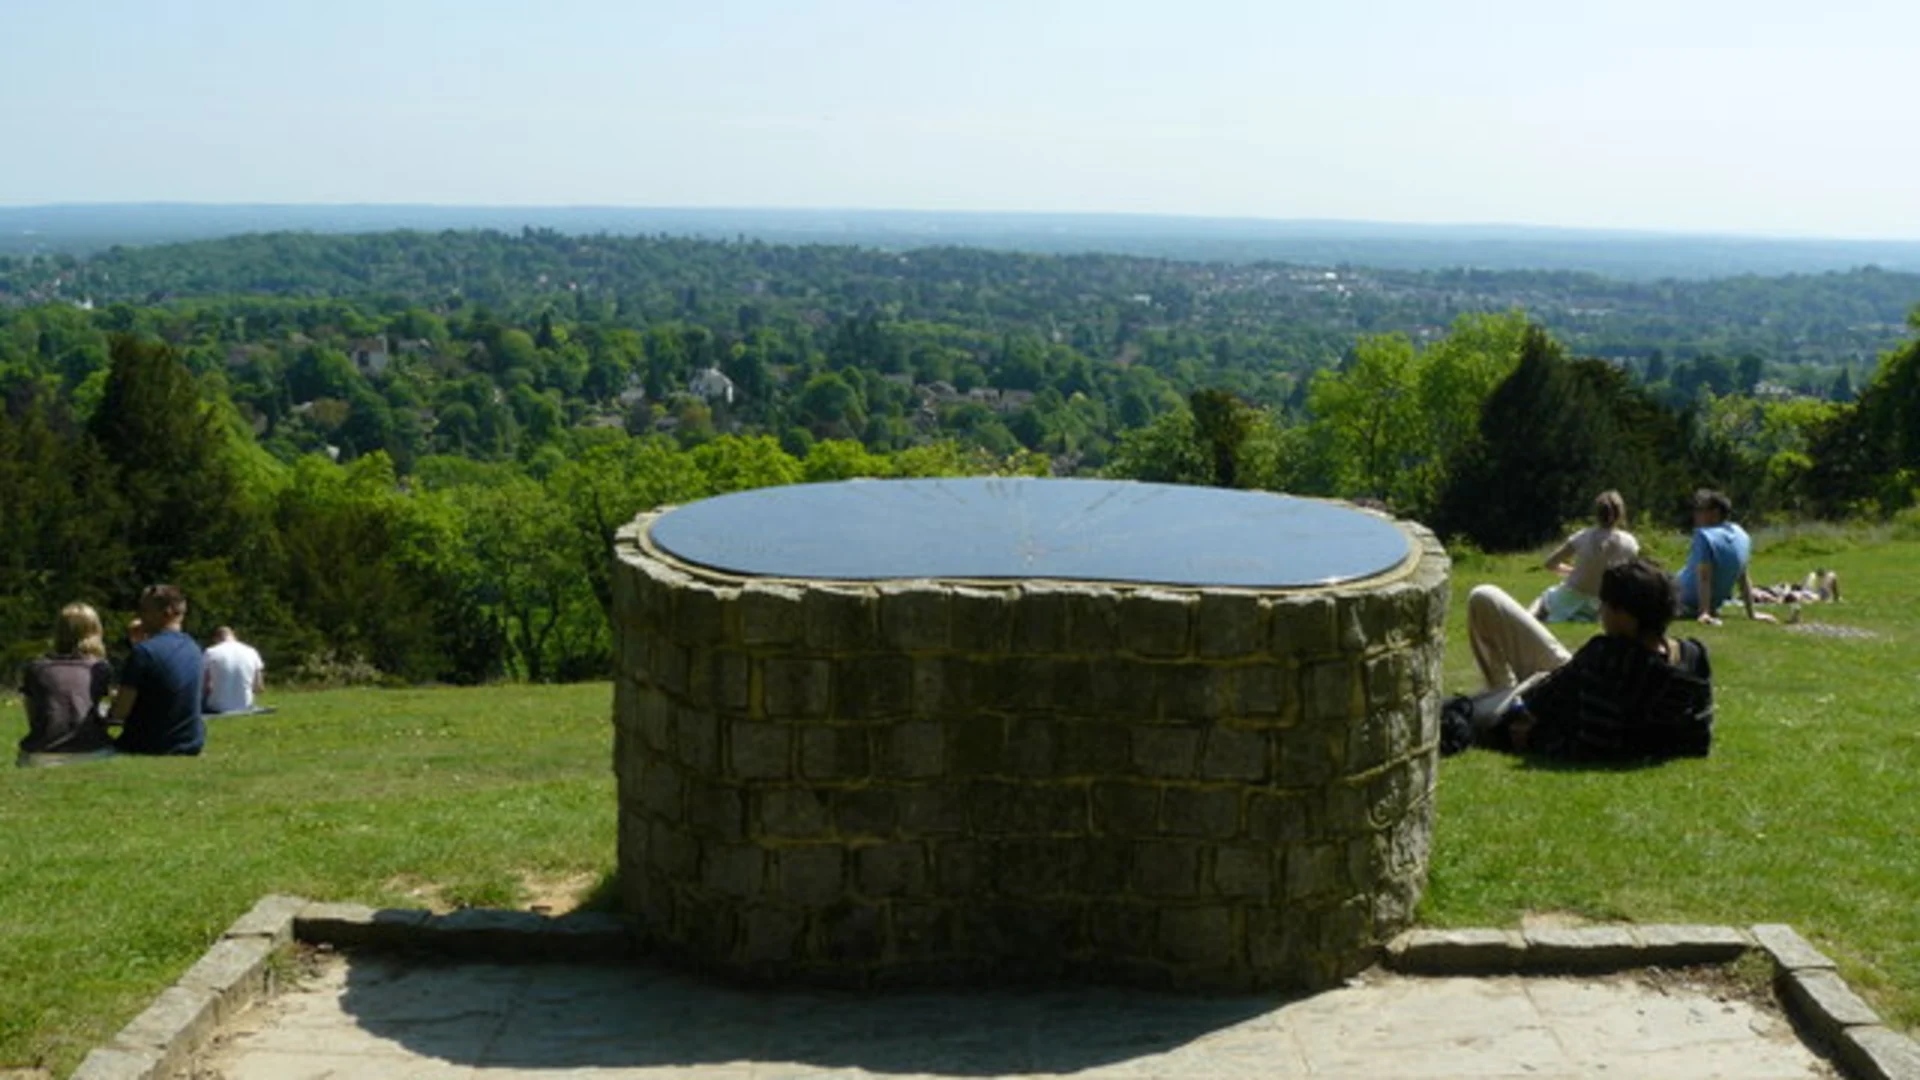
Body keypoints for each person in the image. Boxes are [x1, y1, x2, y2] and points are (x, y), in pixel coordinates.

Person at [1449, 559, 1713, 760]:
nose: (1600, 612)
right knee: (1485, 597)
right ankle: (1499, 690)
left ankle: (1497, 695)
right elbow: (1699, 738)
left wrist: (1534, 737)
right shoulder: (1693, 655)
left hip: (1525, 706)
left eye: (1605, 605)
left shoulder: (1610, 661)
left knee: (1454, 711)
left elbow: (1595, 744)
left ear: (1626, 617)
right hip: (1556, 682)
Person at [16, 603, 117, 767]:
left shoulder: (36, 668)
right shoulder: (100, 669)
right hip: (91, 751)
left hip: (41, 754)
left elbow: (33, 717)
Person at [109, 584, 205, 756]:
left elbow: (120, 712)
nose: (140, 616)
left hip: (148, 744)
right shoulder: (194, 648)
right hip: (190, 742)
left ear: (166, 612)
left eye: (145, 610)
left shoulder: (144, 652)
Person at [1531, 490, 1640, 623]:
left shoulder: (1582, 536)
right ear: (1620, 514)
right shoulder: (1630, 542)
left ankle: (1528, 617)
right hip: (1604, 603)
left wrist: (1571, 570)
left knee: (1545, 596)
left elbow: (1549, 563)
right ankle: (1583, 616)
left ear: (1597, 514)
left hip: (1572, 595)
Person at [1679, 488, 1775, 624]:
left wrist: (1704, 612)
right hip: (1712, 603)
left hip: (1682, 599)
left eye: (1700, 510)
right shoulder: (1741, 534)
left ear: (1715, 513)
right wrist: (1752, 613)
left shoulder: (1704, 536)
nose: (1695, 514)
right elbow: (1743, 577)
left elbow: (1704, 577)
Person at [203, 627, 267, 715]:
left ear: (216, 639)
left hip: (217, 707)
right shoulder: (252, 651)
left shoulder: (210, 652)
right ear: (234, 636)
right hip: (245, 706)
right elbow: (259, 687)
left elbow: (204, 686)